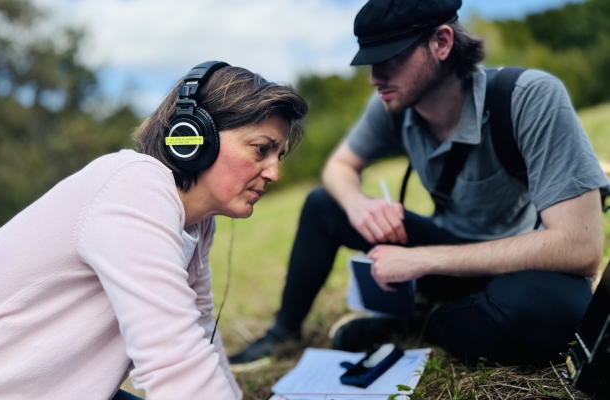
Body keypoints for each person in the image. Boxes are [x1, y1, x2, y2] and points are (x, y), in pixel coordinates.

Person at [230, 0, 609, 367]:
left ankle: (412, 325)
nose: (375, 78)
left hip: (518, 263)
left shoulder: (529, 98)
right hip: (445, 257)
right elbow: (339, 167)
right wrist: (359, 205)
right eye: (370, 62)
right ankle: (282, 333)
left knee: (558, 311)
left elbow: (581, 247)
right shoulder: (390, 105)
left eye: (389, 58)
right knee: (322, 204)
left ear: (442, 42)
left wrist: (419, 260)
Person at [0, 61, 307, 399]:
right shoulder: (134, 187)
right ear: (193, 137)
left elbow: (197, 336)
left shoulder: (197, 224)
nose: (273, 172)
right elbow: (171, 364)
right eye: (261, 149)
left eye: (278, 154)